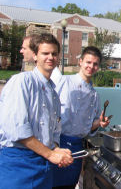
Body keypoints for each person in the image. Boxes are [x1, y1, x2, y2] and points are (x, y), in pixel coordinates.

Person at [0, 33, 73, 189]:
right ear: (35, 56)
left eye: (54, 53)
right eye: (45, 53)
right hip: (18, 164)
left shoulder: (53, 93)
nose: (50, 57)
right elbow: (17, 130)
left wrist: (56, 148)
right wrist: (51, 154)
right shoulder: (22, 81)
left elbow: (53, 131)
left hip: (43, 165)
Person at [52, 46, 110, 189]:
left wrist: (99, 123)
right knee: (52, 184)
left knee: (70, 184)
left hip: (78, 147)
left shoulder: (94, 95)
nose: (91, 66)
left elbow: (86, 127)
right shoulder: (64, 82)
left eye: (95, 64)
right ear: (81, 62)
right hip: (57, 144)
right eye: (88, 62)